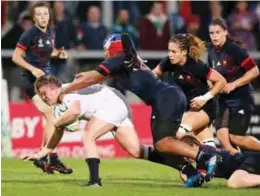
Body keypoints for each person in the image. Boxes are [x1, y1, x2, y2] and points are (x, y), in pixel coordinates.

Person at [60, 33, 222, 183]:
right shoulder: (126, 59)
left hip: (166, 99)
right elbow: (99, 75)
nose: (104, 54)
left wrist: (64, 89)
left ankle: (203, 156)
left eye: (105, 49)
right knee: (163, 145)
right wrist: (88, 74)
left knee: (164, 143)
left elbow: (93, 79)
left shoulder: (119, 58)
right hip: (166, 98)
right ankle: (191, 170)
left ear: (112, 48)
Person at [22, 75, 201, 187]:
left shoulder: (68, 94)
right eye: (41, 95)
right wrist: (43, 152)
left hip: (111, 104)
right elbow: (58, 132)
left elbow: (74, 112)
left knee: (89, 136)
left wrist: (58, 121)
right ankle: (185, 165)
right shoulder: (58, 106)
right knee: (137, 151)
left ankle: (94, 181)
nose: (44, 98)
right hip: (116, 102)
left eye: (46, 93)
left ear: (56, 87)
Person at [12, 2, 72, 174]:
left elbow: (48, 51)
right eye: (39, 14)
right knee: (51, 115)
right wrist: (32, 68)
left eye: (45, 14)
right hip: (30, 80)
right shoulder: (29, 34)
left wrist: (58, 53)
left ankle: (45, 158)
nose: (43, 17)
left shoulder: (51, 31)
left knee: (50, 118)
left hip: (45, 81)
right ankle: (50, 158)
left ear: (49, 15)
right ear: (34, 17)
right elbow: (16, 56)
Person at [153, 33, 226, 148]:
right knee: (208, 147)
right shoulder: (168, 62)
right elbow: (153, 75)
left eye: (173, 52)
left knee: (178, 133)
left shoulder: (196, 66)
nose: (170, 55)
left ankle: (186, 160)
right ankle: (220, 161)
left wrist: (204, 98)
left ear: (184, 52)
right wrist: (139, 69)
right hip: (190, 107)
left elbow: (221, 81)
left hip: (206, 107)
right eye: (169, 51)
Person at [208, 18, 260, 154]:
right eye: (211, 33)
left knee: (235, 138)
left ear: (225, 32)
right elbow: (212, 75)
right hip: (223, 99)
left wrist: (234, 84)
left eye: (217, 32)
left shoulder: (234, 50)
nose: (214, 36)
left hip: (241, 98)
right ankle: (237, 164)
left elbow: (255, 71)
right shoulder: (211, 51)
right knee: (222, 137)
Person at [180, 135, 260, 188]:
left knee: (233, 182)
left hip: (250, 159)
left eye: (185, 151)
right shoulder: (206, 150)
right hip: (250, 160)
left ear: (195, 145)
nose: (186, 156)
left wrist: (188, 180)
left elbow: (198, 180)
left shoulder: (204, 153)